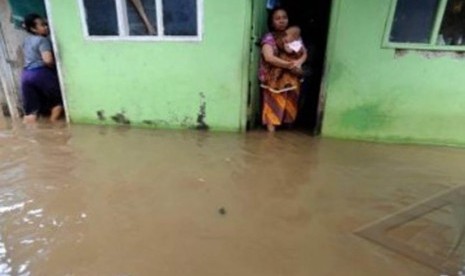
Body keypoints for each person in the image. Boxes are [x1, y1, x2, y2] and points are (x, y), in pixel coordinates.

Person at [259, 8, 307, 132]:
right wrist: (289, 65)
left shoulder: (294, 36)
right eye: (277, 18)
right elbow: (268, 57)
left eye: (284, 17)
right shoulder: (269, 38)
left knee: (290, 109)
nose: (281, 21)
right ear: (272, 21)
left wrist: (299, 62)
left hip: (292, 79)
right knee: (273, 109)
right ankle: (271, 138)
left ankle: (286, 139)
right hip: (274, 80)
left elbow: (304, 53)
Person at [21, 13, 63, 124]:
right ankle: (53, 128)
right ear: (33, 29)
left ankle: (28, 135)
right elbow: (47, 60)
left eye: (46, 24)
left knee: (31, 111)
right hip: (40, 74)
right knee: (57, 103)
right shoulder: (42, 40)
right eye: (42, 25)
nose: (46, 27)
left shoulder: (26, 41)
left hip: (26, 75)